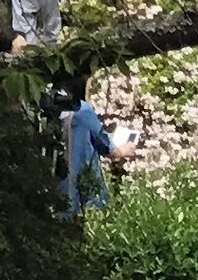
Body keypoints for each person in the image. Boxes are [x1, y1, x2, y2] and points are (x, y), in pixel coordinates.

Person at [55, 86, 142, 215]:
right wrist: (122, 150)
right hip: (75, 186)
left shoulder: (40, 107)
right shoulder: (82, 110)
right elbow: (107, 146)